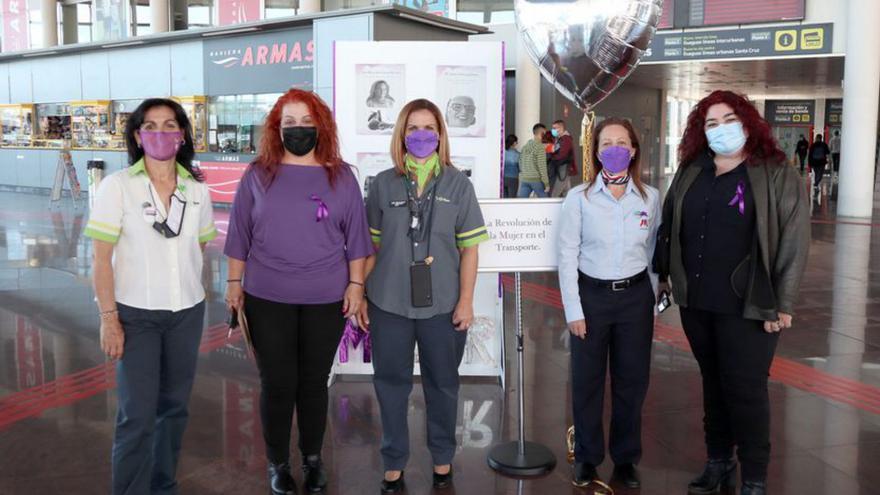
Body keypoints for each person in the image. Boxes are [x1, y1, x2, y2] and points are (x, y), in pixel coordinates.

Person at [653, 90, 809, 495]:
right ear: (700, 131)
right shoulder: (692, 169)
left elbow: (794, 239)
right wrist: (666, 275)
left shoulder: (774, 171)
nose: (720, 129)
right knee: (713, 383)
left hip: (751, 302)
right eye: (711, 123)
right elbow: (670, 222)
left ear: (747, 122)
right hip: (698, 300)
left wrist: (783, 303)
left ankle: (754, 478)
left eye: (729, 120)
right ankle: (719, 461)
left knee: (747, 389)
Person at [224, 89, 374, 495]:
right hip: (266, 295)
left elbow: (357, 238)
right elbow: (238, 234)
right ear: (276, 128)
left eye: (307, 121)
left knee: (313, 382)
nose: (298, 129)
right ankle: (278, 463)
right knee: (277, 382)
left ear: (321, 126)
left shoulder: (341, 176)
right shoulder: (258, 175)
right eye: (289, 122)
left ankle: (312, 458)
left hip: (326, 296)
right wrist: (234, 284)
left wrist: (356, 285)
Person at [86, 98, 218, 495]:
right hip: (136, 315)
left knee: (174, 410)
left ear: (182, 135)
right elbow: (101, 260)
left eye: (169, 125)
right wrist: (109, 318)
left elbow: (199, 249)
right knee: (137, 415)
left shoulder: (197, 189)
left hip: (186, 313)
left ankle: (163, 486)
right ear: (138, 136)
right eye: (151, 126)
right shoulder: (118, 187)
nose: (161, 133)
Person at [357, 98, 489, 493]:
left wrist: (466, 301)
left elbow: (470, 250)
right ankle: (393, 462)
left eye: (429, 128)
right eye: (413, 128)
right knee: (390, 384)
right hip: (389, 303)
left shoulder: (458, 184)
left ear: (440, 135)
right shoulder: (382, 184)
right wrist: (359, 293)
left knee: (443, 384)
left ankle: (443, 458)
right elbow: (371, 248)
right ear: (401, 134)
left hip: (443, 306)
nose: (421, 135)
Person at [558, 117, 661, 490]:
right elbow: (567, 255)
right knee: (587, 381)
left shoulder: (650, 197)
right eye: (606, 144)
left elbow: (652, 253)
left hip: (635, 298)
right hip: (592, 297)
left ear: (633, 150)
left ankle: (626, 458)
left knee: (632, 381)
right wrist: (574, 310)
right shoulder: (579, 198)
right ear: (596, 152)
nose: (614, 149)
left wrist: (650, 302)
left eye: (621, 143)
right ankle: (587, 457)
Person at [518, 123, 550, 198]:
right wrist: (546, 184)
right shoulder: (540, 147)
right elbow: (542, 167)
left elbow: (520, 162)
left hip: (524, 179)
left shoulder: (525, 146)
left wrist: (524, 174)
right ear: (542, 133)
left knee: (521, 202)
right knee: (545, 201)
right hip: (536, 180)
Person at [550, 119, 576, 197]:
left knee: (554, 193)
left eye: (555, 128)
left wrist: (552, 158)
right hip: (563, 167)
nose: (553, 130)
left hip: (563, 167)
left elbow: (562, 154)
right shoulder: (559, 139)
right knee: (566, 192)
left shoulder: (565, 139)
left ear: (561, 128)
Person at [504, 134, 520, 198]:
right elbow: (520, 168)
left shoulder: (503, 152)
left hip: (503, 178)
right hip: (513, 179)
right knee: (512, 199)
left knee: (504, 199)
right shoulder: (517, 154)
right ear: (514, 143)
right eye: (516, 142)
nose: (517, 143)